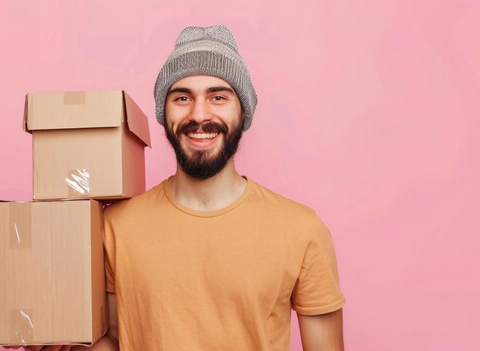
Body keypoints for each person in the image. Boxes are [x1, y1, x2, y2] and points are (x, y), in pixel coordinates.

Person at [18, 24, 345, 351]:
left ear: (242, 111)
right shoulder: (114, 226)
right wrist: (54, 336)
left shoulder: (302, 230)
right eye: (182, 97)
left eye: (218, 97)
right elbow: (116, 340)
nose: (199, 114)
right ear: (164, 112)